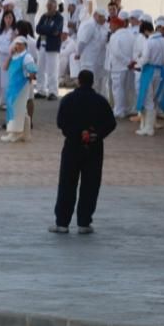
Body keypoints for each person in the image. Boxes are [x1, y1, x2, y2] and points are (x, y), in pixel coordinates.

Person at [51, 70, 117, 234]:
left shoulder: (68, 99)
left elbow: (61, 122)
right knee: (90, 185)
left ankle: (62, 222)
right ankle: (84, 222)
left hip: (72, 146)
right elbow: (111, 123)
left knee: (67, 184)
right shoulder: (100, 101)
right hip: (94, 148)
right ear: (92, 82)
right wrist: (97, 134)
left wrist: (75, 133)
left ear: (79, 81)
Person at [2, 37, 37, 142]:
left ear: (24, 45)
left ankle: (16, 132)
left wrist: (28, 80)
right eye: (16, 44)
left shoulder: (27, 56)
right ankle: (23, 133)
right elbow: (5, 67)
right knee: (15, 108)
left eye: (19, 44)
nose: (17, 46)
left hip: (21, 86)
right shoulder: (15, 56)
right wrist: (10, 55)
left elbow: (33, 71)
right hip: (12, 86)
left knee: (18, 108)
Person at [35, 0, 63, 100]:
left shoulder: (59, 18)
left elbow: (55, 30)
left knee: (52, 70)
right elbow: (38, 29)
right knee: (40, 69)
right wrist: (48, 30)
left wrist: (45, 30)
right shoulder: (44, 16)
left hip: (52, 47)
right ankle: (41, 90)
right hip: (42, 45)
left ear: (55, 7)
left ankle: (53, 92)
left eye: (51, 6)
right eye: (48, 6)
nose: (49, 8)